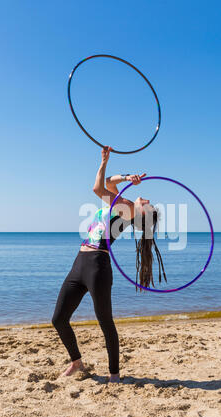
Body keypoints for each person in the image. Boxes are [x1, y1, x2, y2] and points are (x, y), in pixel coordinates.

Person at [52, 146, 166, 382]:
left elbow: (97, 188)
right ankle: (77, 362)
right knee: (59, 319)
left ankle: (114, 374)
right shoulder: (119, 205)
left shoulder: (128, 209)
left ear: (143, 214)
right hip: (80, 262)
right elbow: (110, 183)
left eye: (148, 204)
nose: (146, 199)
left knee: (105, 321)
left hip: (97, 266)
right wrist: (120, 172)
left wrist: (112, 170)